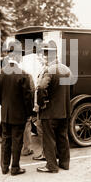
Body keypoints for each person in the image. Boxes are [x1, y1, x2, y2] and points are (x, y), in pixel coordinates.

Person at [0, 42, 34, 176]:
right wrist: (28, 113)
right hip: (19, 115)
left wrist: (5, 104)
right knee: (17, 141)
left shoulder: (0, 73)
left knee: (6, 140)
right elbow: (28, 97)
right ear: (16, 56)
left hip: (5, 114)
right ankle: (15, 167)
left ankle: (4, 167)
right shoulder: (23, 75)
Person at [36, 40, 72, 173]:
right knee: (63, 137)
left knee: (49, 139)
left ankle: (51, 166)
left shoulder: (48, 70)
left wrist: (41, 103)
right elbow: (71, 88)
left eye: (43, 54)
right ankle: (64, 163)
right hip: (64, 111)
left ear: (47, 55)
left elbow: (40, 88)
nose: (43, 58)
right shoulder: (67, 69)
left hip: (50, 112)